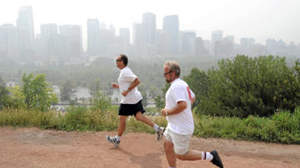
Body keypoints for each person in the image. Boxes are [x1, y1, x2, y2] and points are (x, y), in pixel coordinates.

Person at [161, 61, 224, 168]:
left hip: (180, 128)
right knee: (168, 144)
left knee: (181, 155)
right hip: (173, 125)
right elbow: (192, 98)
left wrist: (167, 112)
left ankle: (211, 156)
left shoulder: (176, 86)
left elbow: (182, 105)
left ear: (173, 73)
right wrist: (182, 111)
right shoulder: (181, 84)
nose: (165, 76)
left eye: (166, 73)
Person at [106, 54, 165, 147]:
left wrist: (127, 90)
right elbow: (128, 83)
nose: (116, 62)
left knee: (122, 118)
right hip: (135, 98)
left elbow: (137, 81)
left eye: (117, 60)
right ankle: (158, 129)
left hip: (129, 100)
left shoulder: (125, 72)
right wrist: (118, 86)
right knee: (139, 117)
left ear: (122, 62)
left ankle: (117, 139)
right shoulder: (124, 71)